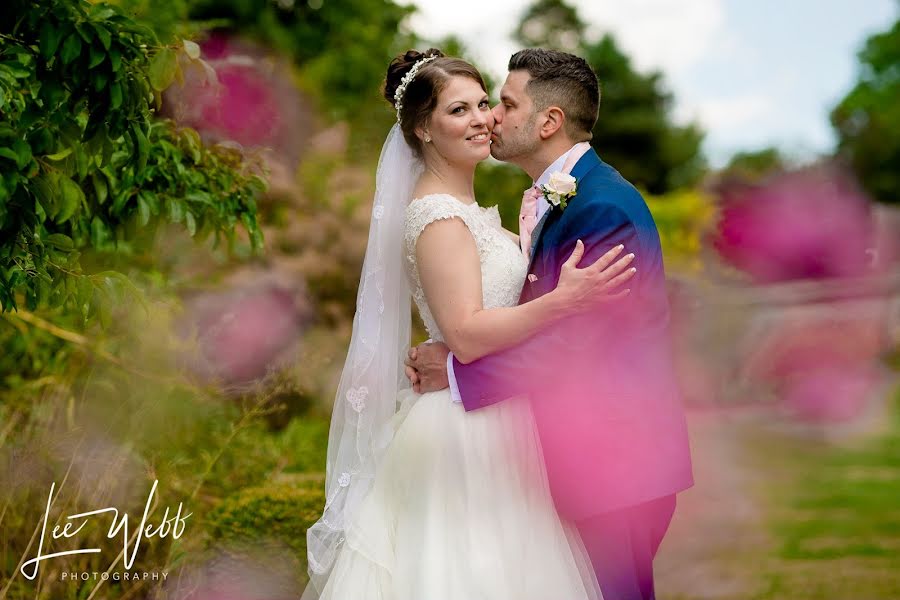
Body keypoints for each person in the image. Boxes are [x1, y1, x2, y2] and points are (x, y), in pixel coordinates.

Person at [302, 48, 636, 600]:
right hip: (468, 431)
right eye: (459, 111)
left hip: (500, 416)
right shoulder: (437, 216)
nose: (483, 119)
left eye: (484, 104)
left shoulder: (468, 211)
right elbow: (465, 333)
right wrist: (562, 303)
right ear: (423, 130)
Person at [405, 48, 695, 600]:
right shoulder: (559, 200)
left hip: (616, 465)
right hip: (572, 458)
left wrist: (458, 373)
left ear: (548, 122)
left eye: (504, 104)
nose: (492, 118)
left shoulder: (603, 207)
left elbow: (576, 348)